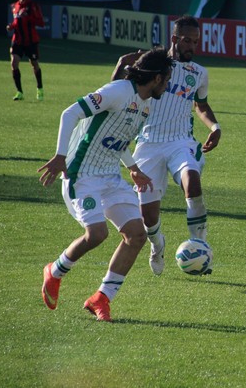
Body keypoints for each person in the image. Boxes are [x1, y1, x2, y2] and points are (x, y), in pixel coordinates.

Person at [38, 48, 173, 322]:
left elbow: (117, 139)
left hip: (111, 176)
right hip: (82, 175)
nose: (168, 85)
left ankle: (101, 298)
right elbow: (70, 113)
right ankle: (55, 271)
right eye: (167, 79)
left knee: (136, 235)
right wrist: (61, 155)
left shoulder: (145, 103)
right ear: (157, 78)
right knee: (97, 234)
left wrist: (133, 168)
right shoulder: (118, 91)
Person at [111, 16, 221, 276]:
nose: (192, 46)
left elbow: (201, 105)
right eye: (187, 41)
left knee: (192, 182)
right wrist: (120, 65)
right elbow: (119, 89)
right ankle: (157, 245)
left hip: (181, 141)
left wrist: (215, 128)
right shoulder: (151, 64)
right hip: (148, 144)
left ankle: (199, 246)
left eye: (195, 41)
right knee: (148, 216)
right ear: (174, 39)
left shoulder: (199, 73)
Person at [7, 0, 45, 101]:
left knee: (34, 64)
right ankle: (19, 92)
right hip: (17, 40)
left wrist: (27, 17)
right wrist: (11, 26)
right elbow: (16, 21)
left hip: (31, 41)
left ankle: (40, 88)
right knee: (14, 63)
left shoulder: (33, 6)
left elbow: (41, 23)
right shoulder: (14, 6)